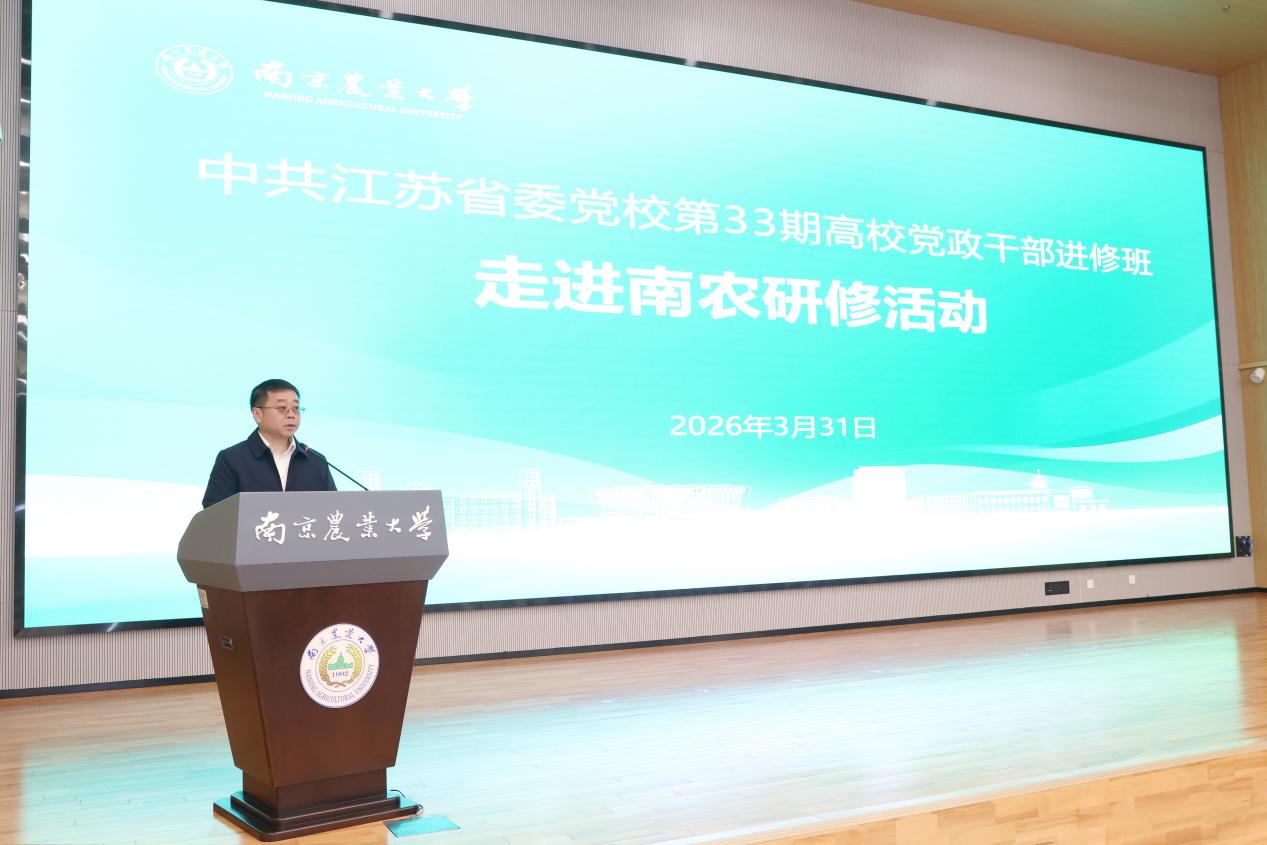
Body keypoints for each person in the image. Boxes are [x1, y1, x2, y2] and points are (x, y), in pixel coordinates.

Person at [202, 378, 336, 508]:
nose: (291, 414)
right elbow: (214, 513)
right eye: (282, 408)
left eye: (296, 408)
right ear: (257, 414)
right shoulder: (232, 459)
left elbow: (334, 510)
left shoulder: (316, 461)